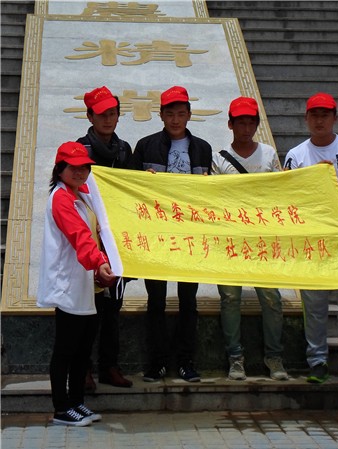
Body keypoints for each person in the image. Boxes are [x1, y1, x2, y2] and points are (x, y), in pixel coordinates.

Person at [283, 92, 338, 385]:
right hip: (313, 242)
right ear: (306, 118)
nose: (319, 120)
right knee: (314, 307)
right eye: (314, 115)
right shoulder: (297, 155)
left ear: (335, 117)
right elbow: (289, 198)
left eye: (325, 115)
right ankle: (317, 360)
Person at [130, 85, 212, 382]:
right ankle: (157, 363)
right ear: (161, 115)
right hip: (156, 235)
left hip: (190, 235)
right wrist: (143, 181)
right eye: (170, 114)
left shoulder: (202, 148)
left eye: (181, 113)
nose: (175, 119)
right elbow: (130, 189)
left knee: (189, 301)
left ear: (189, 115)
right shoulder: (145, 145)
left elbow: (210, 195)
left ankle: (186, 361)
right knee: (156, 301)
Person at [37, 141, 116, 426]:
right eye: (74, 167)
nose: (81, 172)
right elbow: (79, 234)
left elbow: (98, 228)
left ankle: (77, 402)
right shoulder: (61, 198)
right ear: (60, 169)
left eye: (85, 167)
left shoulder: (81, 194)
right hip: (68, 283)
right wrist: (99, 261)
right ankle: (61, 409)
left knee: (82, 349)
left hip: (86, 282)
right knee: (66, 349)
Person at [211, 96, 288, 381]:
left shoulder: (268, 154)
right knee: (230, 298)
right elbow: (214, 197)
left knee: (271, 298)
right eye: (240, 122)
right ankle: (235, 357)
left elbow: (280, 191)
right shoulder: (218, 158)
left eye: (251, 122)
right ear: (230, 124)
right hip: (229, 238)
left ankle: (274, 357)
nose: (246, 128)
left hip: (262, 238)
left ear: (256, 124)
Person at [77, 86, 133, 389]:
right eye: (102, 115)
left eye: (113, 113)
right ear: (90, 116)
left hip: (115, 240)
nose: (108, 119)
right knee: (88, 308)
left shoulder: (124, 149)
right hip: (88, 240)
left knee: (113, 307)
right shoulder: (79, 150)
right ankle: (83, 369)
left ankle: (110, 366)